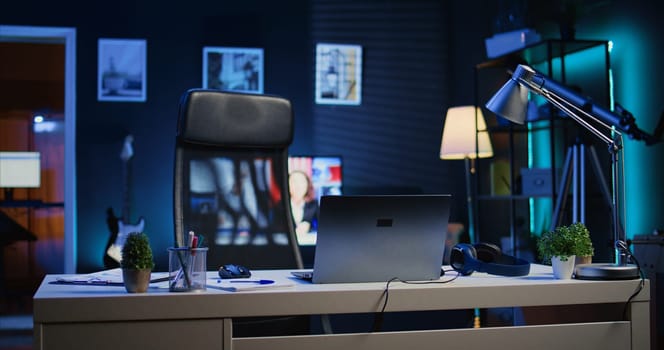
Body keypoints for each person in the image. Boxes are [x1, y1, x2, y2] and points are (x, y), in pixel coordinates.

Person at [288, 170, 319, 241]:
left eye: (301, 182)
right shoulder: (280, 206)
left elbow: (324, 227)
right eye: (294, 182)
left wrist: (309, 228)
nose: (298, 186)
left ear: (307, 185)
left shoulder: (313, 205)